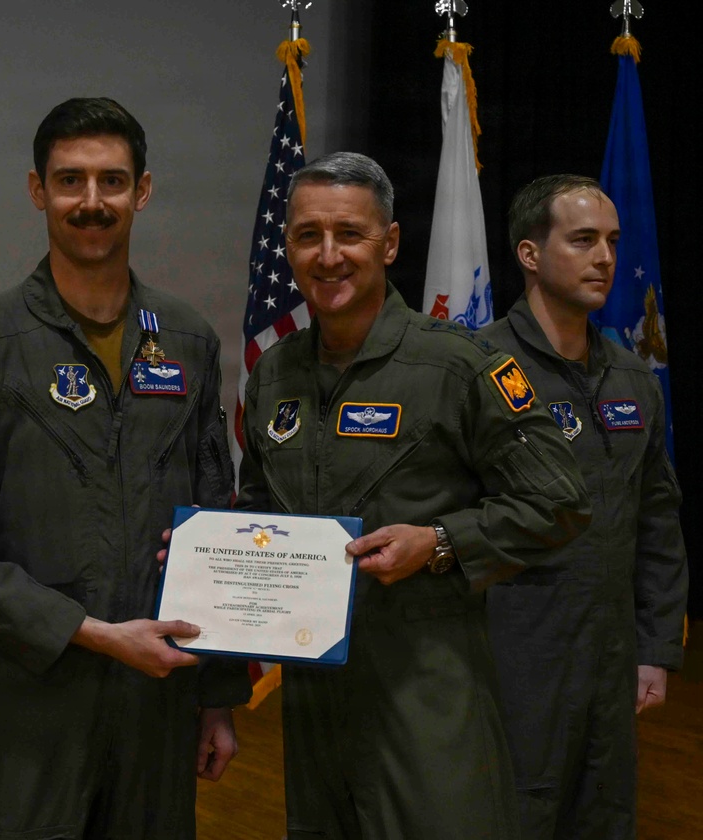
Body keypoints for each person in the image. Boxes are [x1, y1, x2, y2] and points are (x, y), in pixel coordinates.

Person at [0, 97, 251, 840]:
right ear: (38, 190)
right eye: (70, 181)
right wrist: (94, 633)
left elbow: (213, 524)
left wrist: (216, 698)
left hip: (156, 703)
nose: (91, 202)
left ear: (144, 190)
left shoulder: (187, 339)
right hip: (32, 707)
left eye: (111, 181)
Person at [235, 151, 592, 839]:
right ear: (289, 247)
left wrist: (441, 542)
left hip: (426, 687)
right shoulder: (275, 374)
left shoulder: (456, 365)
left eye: (350, 234)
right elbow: (261, 505)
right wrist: (211, 556)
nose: (329, 255)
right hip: (312, 697)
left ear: (390, 243)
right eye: (309, 235)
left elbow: (560, 500)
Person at [479, 174, 688, 840]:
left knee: (603, 815)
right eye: (583, 240)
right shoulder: (473, 368)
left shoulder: (631, 377)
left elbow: (657, 520)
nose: (605, 257)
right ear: (530, 254)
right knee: (512, 815)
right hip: (509, 656)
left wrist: (654, 647)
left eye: (612, 241)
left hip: (608, 656)